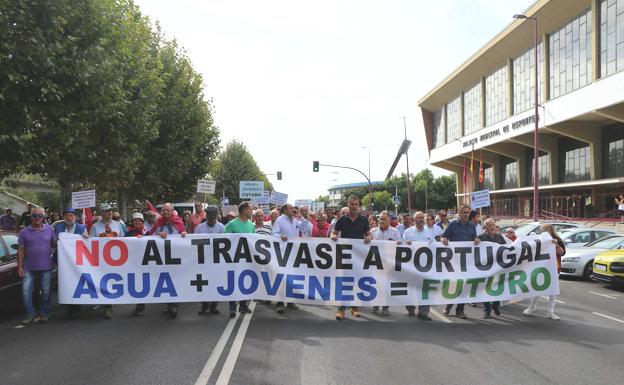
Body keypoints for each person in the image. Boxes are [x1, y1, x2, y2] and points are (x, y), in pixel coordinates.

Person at [331, 196, 371, 320]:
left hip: (359, 257)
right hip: (344, 256)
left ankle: (354, 307)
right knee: (344, 282)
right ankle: (341, 310)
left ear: (358, 205)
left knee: (357, 282)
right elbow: (334, 232)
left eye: (356, 204)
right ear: (348, 205)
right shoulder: (342, 219)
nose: (354, 206)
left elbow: (368, 233)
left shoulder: (364, 220)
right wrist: (333, 236)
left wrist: (369, 237)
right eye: (351, 204)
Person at [17, 207, 56, 325]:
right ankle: (30, 314)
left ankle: (44, 313)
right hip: (28, 267)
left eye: (40, 216)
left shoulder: (50, 229)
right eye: (34, 216)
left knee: (45, 291)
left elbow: (56, 244)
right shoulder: (24, 232)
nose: (37, 218)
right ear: (31, 217)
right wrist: (20, 266)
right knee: (25, 292)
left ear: (43, 217)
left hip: (46, 267)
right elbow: (21, 250)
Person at [147, 202, 186, 318]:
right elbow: (150, 234)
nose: (166, 212)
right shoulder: (158, 222)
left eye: (168, 210)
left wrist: (183, 233)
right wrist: (159, 233)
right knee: (164, 279)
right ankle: (169, 303)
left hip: (174, 256)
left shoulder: (178, 221)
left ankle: (174, 303)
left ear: (172, 211)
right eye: (164, 210)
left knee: (174, 279)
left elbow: (183, 233)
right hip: (161, 256)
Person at [88, 203, 125, 318]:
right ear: (101, 213)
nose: (109, 212)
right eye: (106, 211)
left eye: (110, 210)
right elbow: (90, 242)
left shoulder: (118, 225)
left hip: (115, 258)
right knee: (103, 281)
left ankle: (111, 300)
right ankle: (107, 306)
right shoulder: (95, 227)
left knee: (113, 280)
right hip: (101, 259)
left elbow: (124, 240)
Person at [440, 205, 478, 319]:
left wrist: (477, 240)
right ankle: (448, 305)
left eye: (468, 212)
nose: (466, 214)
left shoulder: (472, 225)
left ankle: (460, 310)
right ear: (459, 213)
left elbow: (474, 239)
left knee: (464, 286)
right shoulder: (452, 225)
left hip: (467, 262)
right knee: (454, 285)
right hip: (454, 261)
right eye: (464, 212)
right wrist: (443, 240)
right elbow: (443, 237)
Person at [524, 224, 565, 320]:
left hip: (554, 269)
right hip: (541, 268)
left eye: (541, 229)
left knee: (553, 290)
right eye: (540, 230)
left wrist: (556, 245)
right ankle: (532, 307)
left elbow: (562, 253)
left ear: (548, 230)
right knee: (537, 288)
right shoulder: (539, 239)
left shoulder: (557, 240)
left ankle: (551, 312)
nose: (540, 231)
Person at [401, 211, 435, 321]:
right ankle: (410, 307)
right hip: (411, 266)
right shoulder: (408, 232)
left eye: (422, 218)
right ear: (414, 220)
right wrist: (406, 244)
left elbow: (435, 246)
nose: (421, 220)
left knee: (425, 289)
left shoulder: (430, 232)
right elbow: (401, 247)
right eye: (419, 218)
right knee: (411, 288)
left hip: (426, 266)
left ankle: (423, 313)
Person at [224, 202, 255, 318]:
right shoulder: (231, 224)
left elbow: (254, 241)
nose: (251, 212)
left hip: (247, 260)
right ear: (244, 210)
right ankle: (232, 308)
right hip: (234, 260)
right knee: (233, 283)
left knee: (245, 282)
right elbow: (225, 241)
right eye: (250, 210)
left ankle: (243, 305)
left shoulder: (251, 225)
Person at [194, 207, 225, 315]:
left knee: (215, 282)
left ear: (216, 216)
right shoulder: (199, 228)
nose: (211, 219)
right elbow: (193, 243)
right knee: (204, 283)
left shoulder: (222, 228)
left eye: (213, 216)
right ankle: (204, 305)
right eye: (209, 216)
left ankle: (214, 306)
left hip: (216, 260)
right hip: (203, 261)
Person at [272, 203, 301, 313]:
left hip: (293, 252)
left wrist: (300, 215)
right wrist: (280, 236)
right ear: (284, 210)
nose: (292, 210)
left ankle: (290, 301)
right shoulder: (279, 220)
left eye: (293, 208)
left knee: (291, 277)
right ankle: (279, 303)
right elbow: (274, 233)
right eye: (290, 208)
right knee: (282, 277)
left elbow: (307, 227)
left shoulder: (295, 220)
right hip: (282, 253)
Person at [370, 211, 400, 316]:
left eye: (384, 219)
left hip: (389, 264)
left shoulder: (395, 232)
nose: (381, 221)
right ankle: (376, 304)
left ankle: (385, 307)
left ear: (389, 221)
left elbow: (399, 247)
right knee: (376, 284)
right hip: (375, 263)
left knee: (387, 285)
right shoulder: (373, 231)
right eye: (380, 219)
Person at [477, 218, 506, 319]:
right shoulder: (481, 237)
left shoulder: (500, 237)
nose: (493, 227)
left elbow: (506, 249)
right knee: (485, 289)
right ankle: (487, 310)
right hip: (485, 268)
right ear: (486, 227)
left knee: (498, 288)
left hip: (498, 267)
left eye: (494, 225)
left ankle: (495, 305)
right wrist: (476, 242)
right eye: (490, 225)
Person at [124, 212, 149, 316]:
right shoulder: (129, 233)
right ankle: (140, 306)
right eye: (135, 221)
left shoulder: (148, 232)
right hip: (134, 263)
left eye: (139, 220)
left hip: (148, 262)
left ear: (143, 222)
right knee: (139, 283)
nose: (137, 222)